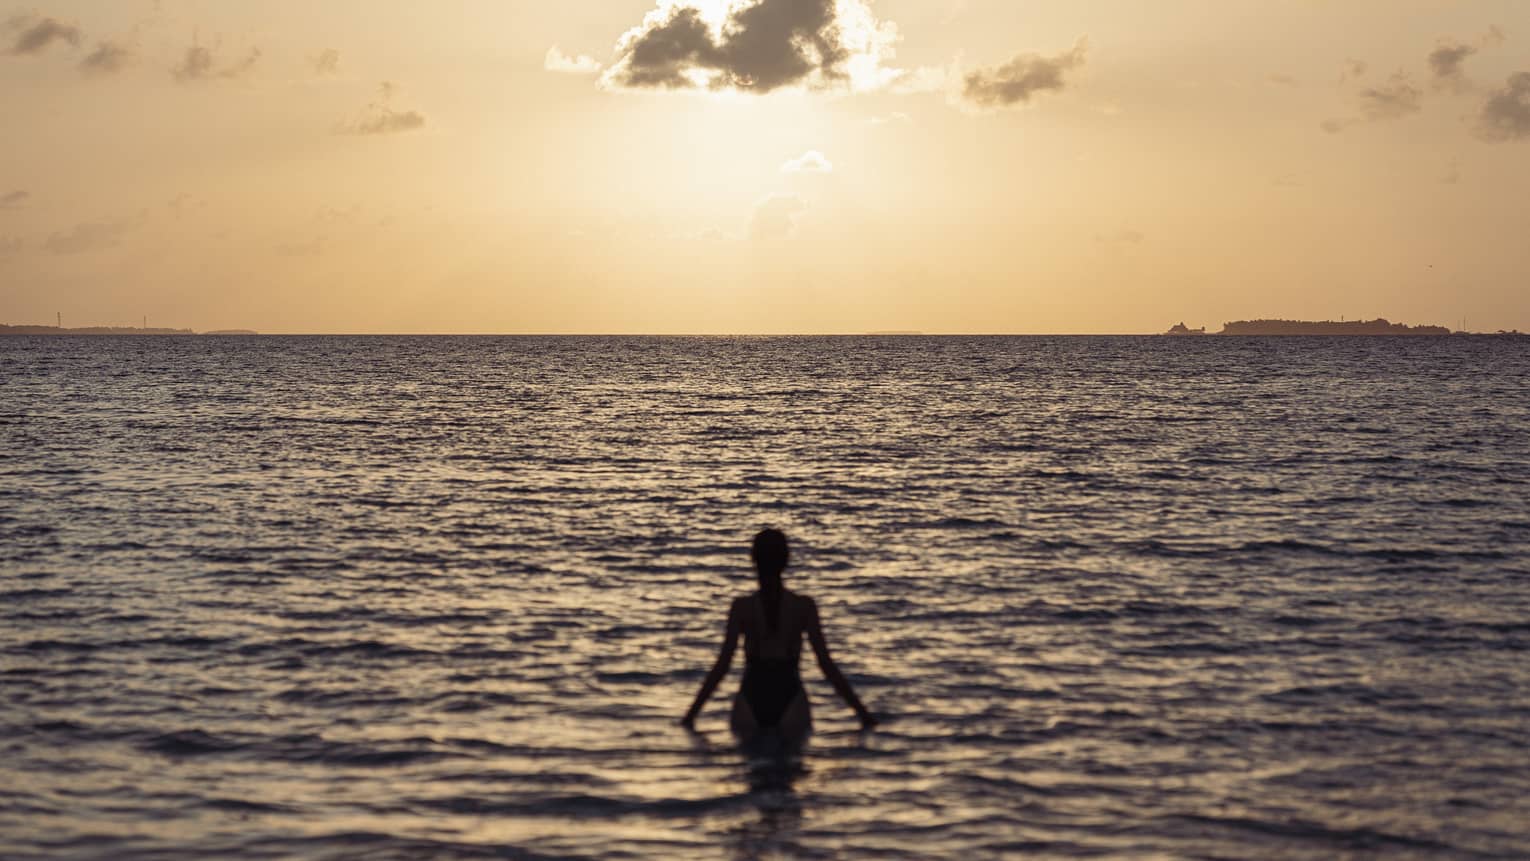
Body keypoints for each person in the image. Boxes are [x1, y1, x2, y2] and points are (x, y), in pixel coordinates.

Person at [680, 528, 877, 739]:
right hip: (790, 695)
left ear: (753, 560)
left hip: (751, 695)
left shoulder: (742, 607)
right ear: (787, 560)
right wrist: (863, 714)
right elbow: (825, 664)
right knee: (791, 766)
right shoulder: (803, 607)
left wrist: (691, 715)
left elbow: (723, 665)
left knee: (749, 766)